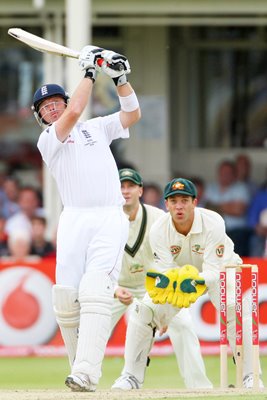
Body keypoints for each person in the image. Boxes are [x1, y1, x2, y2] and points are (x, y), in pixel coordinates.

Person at [31, 46, 141, 392]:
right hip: (74, 218)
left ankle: (86, 373)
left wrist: (121, 79)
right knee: (65, 295)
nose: (53, 107)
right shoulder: (49, 139)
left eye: (56, 102)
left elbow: (132, 114)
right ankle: (79, 370)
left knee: (95, 289)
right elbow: (77, 107)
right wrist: (91, 70)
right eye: (45, 107)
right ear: (42, 117)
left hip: (108, 216)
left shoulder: (97, 127)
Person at [112, 178, 264, 390]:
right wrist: (163, 312)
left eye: (184, 200)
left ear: (195, 202)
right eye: (173, 201)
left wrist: (192, 281)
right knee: (143, 310)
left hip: (221, 271)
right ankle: (131, 376)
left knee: (236, 309)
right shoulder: (158, 230)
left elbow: (213, 271)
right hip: (180, 279)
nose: (179, 206)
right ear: (166, 204)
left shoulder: (214, 222)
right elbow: (166, 272)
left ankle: (250, 376)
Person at [111, 168, 212, 389]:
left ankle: (199, 388)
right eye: (120, 186)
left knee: (183, 325)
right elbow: (96, 263)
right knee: (93, 324)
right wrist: (114, 288)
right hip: (117, 289)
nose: (125, 191)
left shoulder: (159, 218)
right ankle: (87, 376)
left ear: (140, 190)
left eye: (130, 186)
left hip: (157, 288)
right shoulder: (104, 221)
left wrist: (164, 310)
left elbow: (173, 260)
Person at [205, 159, 251, 256]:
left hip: (236, 231)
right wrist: (230, 205)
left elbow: (238, 210)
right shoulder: (210, 188)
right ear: (218, 173)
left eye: (228, 173)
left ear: (234, 174)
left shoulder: (241, 188)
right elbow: (207, 209)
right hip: (214, 230)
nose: (225, 175)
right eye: (223, 173)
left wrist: (216, 206)